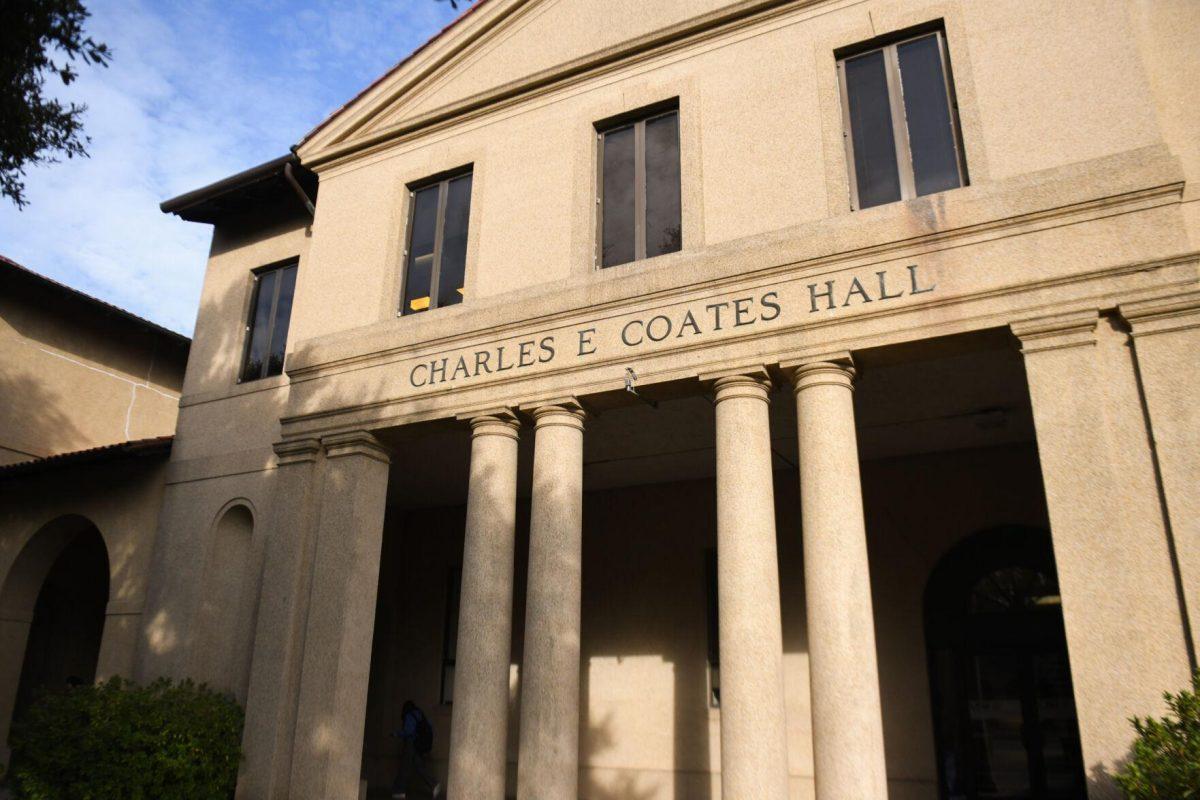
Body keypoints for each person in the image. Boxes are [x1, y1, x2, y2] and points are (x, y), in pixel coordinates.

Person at [391, 700, 441, 799]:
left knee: (404, 767)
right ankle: (434, 784)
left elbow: (408, 731)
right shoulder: (420, 714)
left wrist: (396, 733)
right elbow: (430, 726)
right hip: (418, 745)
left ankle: (399, 791)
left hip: (411, 744)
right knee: (419, 767)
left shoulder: (409, 715)